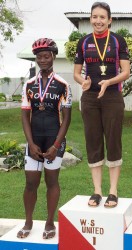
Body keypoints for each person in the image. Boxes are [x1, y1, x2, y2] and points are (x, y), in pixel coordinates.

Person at [74, 2, 130, 208]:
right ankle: (97, 191)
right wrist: (83, 82)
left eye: (102, 17)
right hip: (90, 98)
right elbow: (76, 73)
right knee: (93, 141)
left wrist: (109, 82)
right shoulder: (83, 42)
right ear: (90, 19)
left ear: (109, 20)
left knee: (113, 140)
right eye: (94, 17)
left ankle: (113, 191)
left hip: (113, 96)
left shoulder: (118, 41)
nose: (98, 21)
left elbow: (125, 72)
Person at [17, 38, 72, 239]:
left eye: (46, 56)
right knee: (30, 183)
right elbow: (24, 115)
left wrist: (56, 145)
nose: (43, 60)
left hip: (54, 140)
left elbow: (67, 118)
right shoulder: (29, 85)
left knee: (52, 182)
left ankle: (50, 223)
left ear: (53, 57)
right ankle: (28, 222)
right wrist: (30, 143)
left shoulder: (62, 85)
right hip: (34, 139)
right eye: (39, 57)